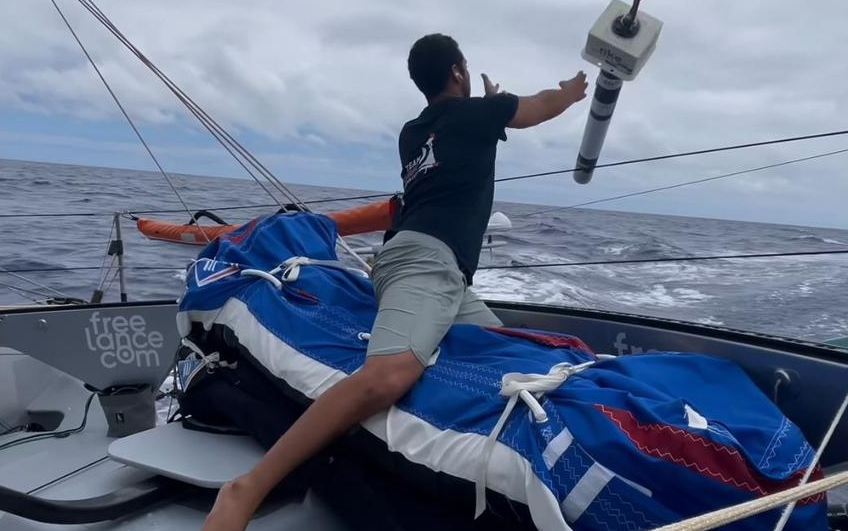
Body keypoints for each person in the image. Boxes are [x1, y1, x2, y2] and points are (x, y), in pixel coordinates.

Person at [202, 33, 588, 530]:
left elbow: (461, 139)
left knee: (512, 356)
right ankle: (247, 489)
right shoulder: (476, 116)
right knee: (386, 377)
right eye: (464, 67)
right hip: (425, 263)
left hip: (428, 268)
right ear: (457, 72)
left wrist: (488, 106)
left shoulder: (412, 133)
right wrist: (573, 90)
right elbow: (538, 108)